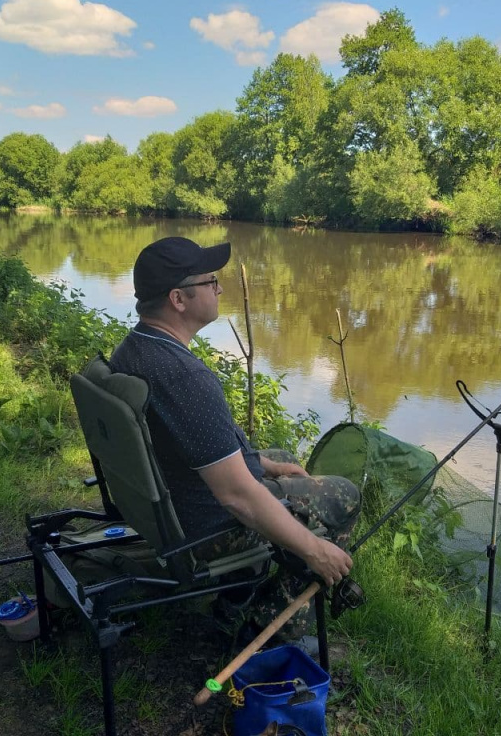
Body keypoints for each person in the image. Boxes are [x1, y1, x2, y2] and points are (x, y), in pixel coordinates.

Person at [109, 236, 360, 640]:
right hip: (207, 528)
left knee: (277, 454)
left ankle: (244, 587)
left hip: (171, 502)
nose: (220, 288)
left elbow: (195, 443)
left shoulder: (135, 348)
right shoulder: (186, 378)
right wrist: (315, 550)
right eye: (211, 281)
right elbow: (238, 498)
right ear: (179, 298)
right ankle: (273, 623)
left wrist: (265, 464)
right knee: (343, 495)